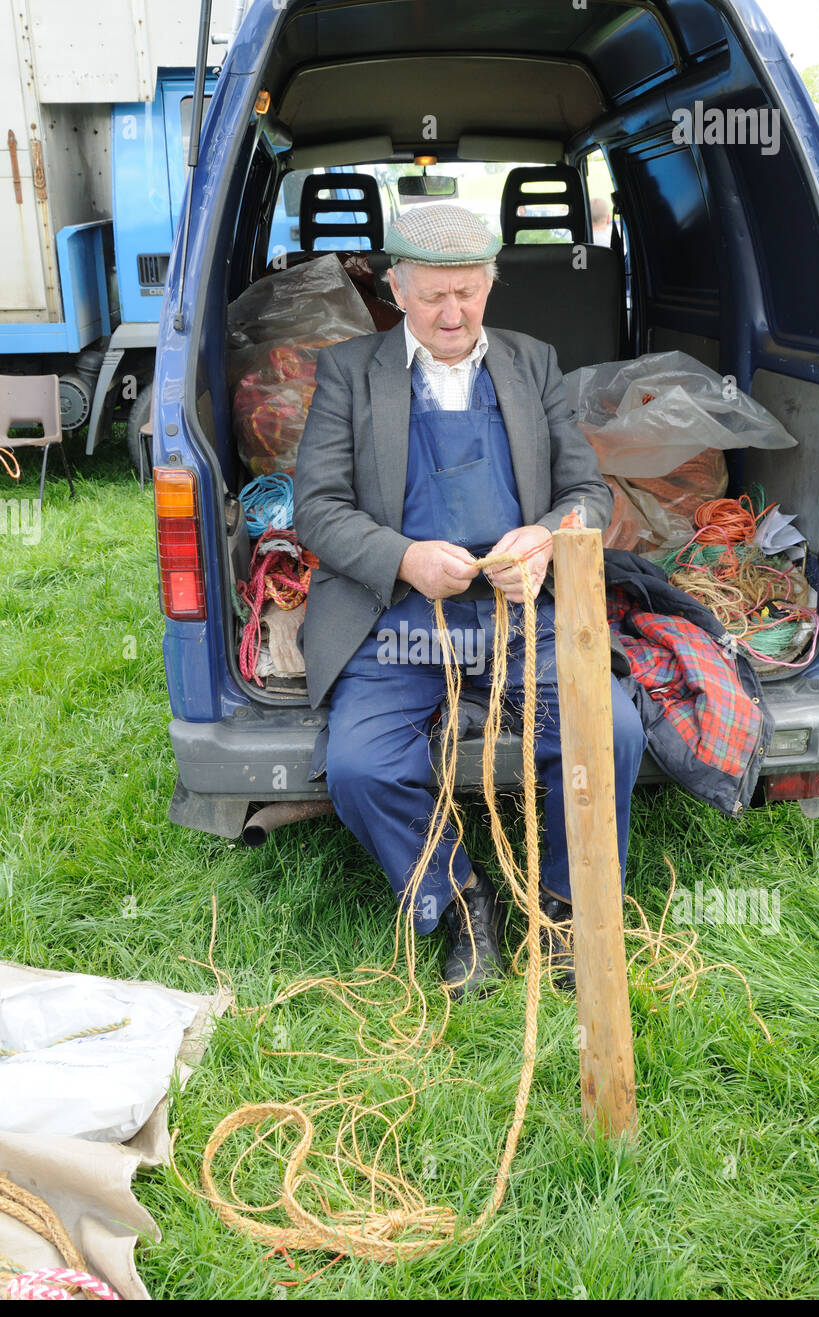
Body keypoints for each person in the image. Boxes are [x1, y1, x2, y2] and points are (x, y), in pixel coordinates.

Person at [293, 204, 646, 1000]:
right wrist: (403, 558)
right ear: (396, 288)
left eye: (468, 294)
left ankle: (564, 905)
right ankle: (460, 902)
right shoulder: (351, 371)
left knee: (611, 732)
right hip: (401, 621)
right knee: (359, 767)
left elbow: (586, 489)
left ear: (488, 285)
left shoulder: (532, 362)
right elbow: (314, 508)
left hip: (522, 617)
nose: (452, 315)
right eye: (431, 298)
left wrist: (548, 537)